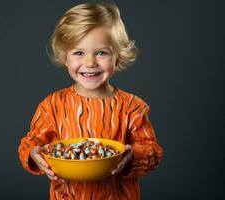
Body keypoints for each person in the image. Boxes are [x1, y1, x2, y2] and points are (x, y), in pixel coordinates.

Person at [18, 2, 163, 199]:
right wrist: (34, 154)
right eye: (79, 53)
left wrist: (132, 156)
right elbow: (31, 143)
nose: (90, 62)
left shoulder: (132, 107)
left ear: (117, 57)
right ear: (65, 58)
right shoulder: (52, 105)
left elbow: (152, 151)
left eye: (101, 52)